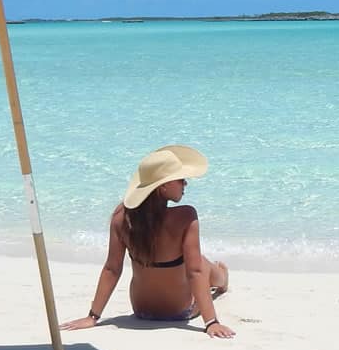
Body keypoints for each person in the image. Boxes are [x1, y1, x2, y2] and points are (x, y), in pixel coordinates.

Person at [59, 144, 235, 338]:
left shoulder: (122, 217)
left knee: (194, 262)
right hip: (178, 312)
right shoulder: (186, 216)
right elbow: (195, 272)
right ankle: (222, 280)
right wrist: (211, 322)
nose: (185, 184)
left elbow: (112, 268)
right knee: (202, 263)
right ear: (164, 186)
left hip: (141, 310)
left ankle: (220, 278)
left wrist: (92, 317)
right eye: (180, 179)